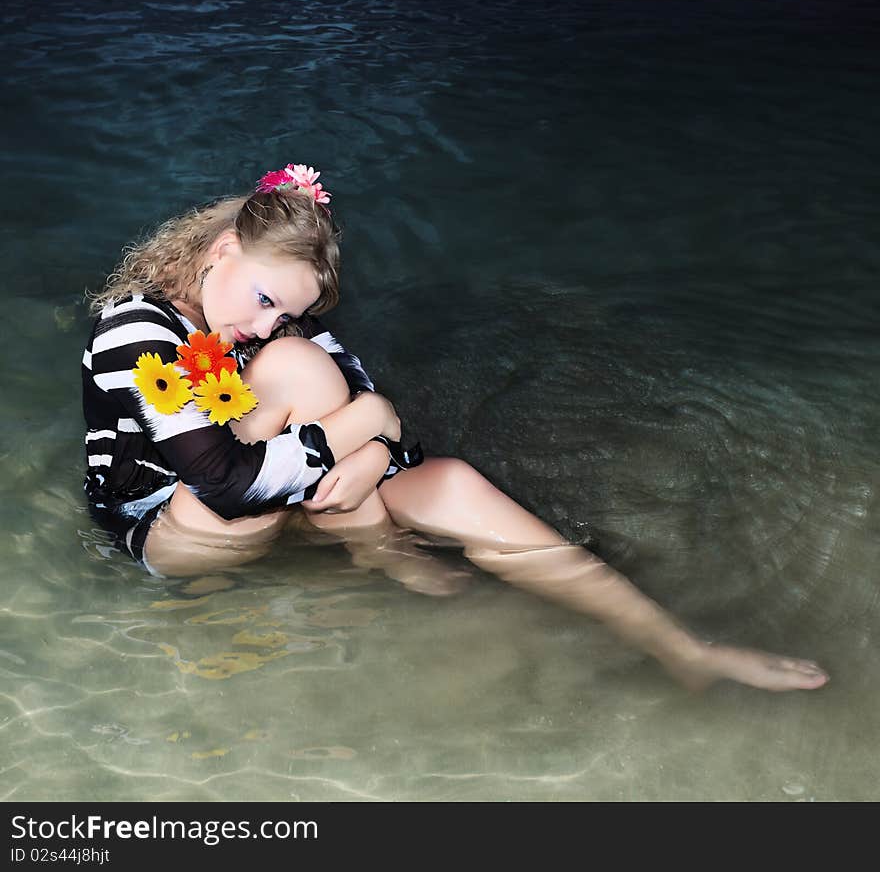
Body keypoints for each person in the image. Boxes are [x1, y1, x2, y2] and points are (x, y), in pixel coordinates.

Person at [82, 163, 830, 693]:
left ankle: (679, 647)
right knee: (302, 372)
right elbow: (227, 483)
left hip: (296, 495)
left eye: (285, 310)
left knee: (454, 483)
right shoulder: (135, 332)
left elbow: (382, 427)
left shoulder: (272, 322)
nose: (267, 321)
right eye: (265, 298)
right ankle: (378, 550)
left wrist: (376, 446)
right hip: (182, 529)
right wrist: (370, 421)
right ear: (221, 250)